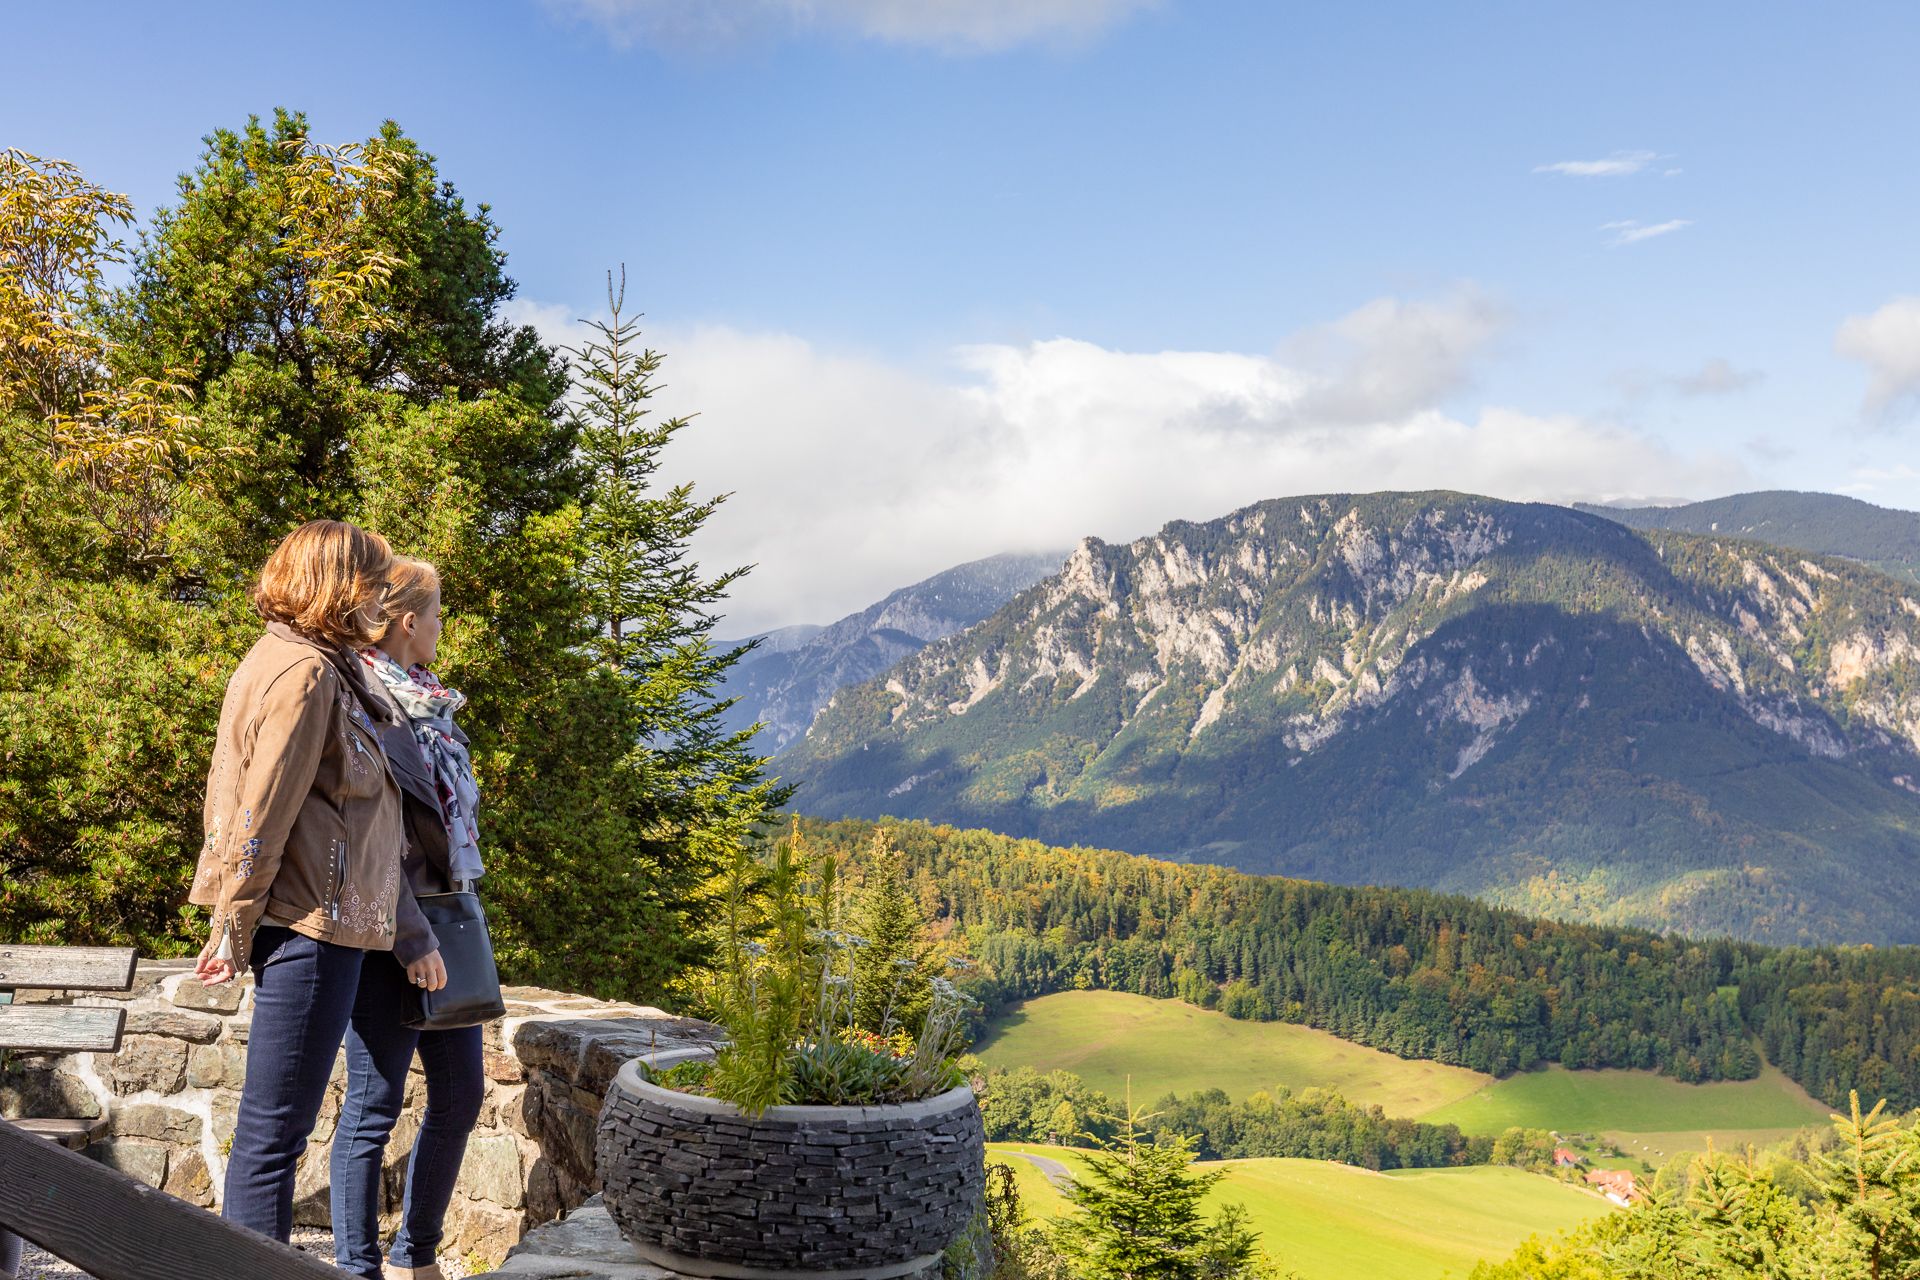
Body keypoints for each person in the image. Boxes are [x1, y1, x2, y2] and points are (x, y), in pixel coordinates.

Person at [191, 520, 445, 1243]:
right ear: (338, 587)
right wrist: (234, 924)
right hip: (309, 922)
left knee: (277, 1131)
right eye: (370, 580)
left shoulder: (308, 662)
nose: (378, 594)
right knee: (275, 1137)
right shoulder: (304, 674)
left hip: (323, 919)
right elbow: (258, 809)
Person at [330, 557, 487, 1280]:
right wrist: (411, 938)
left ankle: (413, 1257)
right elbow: (372, 836)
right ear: (406, 622)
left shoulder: (428, 700)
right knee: (374, 1103)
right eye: (437, 615)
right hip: (388, 933)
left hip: (444, 918)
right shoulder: (364, 701)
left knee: (460, 1093)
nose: (441, 627)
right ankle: (358, 1269)